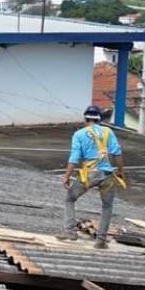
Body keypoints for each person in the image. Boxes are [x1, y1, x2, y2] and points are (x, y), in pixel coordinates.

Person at [56, 105, 126, 249]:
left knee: (70, 198)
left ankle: (70, 231)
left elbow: (74, 158)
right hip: (107, 174)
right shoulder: (108, 132)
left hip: (89, 174)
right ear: (99, 119)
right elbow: (117, 153)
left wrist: (67, 176)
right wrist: (120, 171)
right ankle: (100, 241)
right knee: (107, 207)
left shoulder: (79, 134)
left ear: (85, 118)